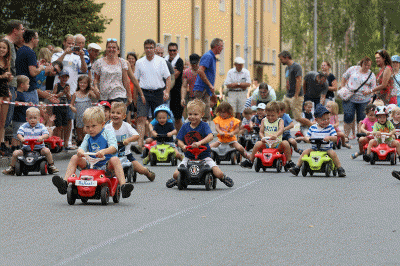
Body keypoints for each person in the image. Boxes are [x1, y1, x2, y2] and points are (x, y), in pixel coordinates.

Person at [51, 106, 134, 198]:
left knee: (115, 159)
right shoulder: (88, 136)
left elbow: (114, 147)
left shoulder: (108, 133)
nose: (90, 129)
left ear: (102, 124)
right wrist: (80, 152)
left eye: (93, 126)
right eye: (87, 127)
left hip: (106, 167)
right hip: (91, 165)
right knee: (75, 157)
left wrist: (104, 151)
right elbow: (81, 147)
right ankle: (64, 183)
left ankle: (123, 186)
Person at [165, 99, 234, 188]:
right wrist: (183, 146)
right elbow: (179, 140)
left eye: (195, 114)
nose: (192, 117)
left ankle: (223, 177)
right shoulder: (185, 127)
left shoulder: (204, 125)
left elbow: (210, 136)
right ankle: (177, 180)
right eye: (190, 114)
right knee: (175, 174)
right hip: (189, 157)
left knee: (218, 172)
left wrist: (200, 143)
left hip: (204, 157)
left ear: (202, 114)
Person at [52, 34, 88, 150]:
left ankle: (67, 142)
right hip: (58, 90)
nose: (71, 46)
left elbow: (84, 70)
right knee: (58, 119)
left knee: (69, 118)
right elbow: (54, 66)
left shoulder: (77, 57)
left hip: (72, 91)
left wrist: (82, 57)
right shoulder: (57, 54)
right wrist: (64, 53)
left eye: (73, 44)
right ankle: (58, 142)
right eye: (69, 43)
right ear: (64, 43)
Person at [289, 105, 346, 177]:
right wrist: (307, 139)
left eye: (328, 119)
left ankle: (340, 169)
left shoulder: (330, 127)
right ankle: (297, 167)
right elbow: (307, 136)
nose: (326, 121)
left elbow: (335, 138)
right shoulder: (313, 128)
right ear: (316, 120)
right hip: (314, 148)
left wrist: (329, 137)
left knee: (333, 153)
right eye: (323, 120)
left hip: (326, 149)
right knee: (305, 152)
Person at [105, 102, 156, 181]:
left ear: (124, 116)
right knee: (104, 169)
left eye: (118, 113)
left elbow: (136, 136)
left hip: (126, 154)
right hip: (111, 155)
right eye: (113, 112)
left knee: (140, 169)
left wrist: (128, 140)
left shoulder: (126, 126)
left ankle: (147, 172)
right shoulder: (107, 127)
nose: (115, 115)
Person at [134, 39, 171, 148]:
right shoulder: (139, 62)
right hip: (143, 92)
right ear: (144, 49)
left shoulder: (161, 61)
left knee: (159, 118)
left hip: (158, 92)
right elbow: (136, 80)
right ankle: (139, 144)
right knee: (141, 118)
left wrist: (167, 92)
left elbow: (168, 78)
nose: (149, 50)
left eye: (151, 47)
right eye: (147, 48)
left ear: (154, 49)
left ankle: (156, 141)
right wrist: (137, 96)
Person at [2, 107, 59, 175]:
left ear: (38, 119)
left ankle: (51, 165)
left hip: (39, 148)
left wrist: (41, 137)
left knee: (47, 151)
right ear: (27, 119)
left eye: (35, 118)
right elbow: (19, 134)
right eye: (30, 118)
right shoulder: (24, 126)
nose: (32, 120)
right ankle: (12, 168)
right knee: (15, 153)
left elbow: (46, 134)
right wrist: (21, 138)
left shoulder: (41, 126)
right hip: (26, 148)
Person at [240, 101, 296, 169]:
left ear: (278, 114)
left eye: (272, 115)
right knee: (258, 143)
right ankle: (250, 161)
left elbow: (281, 129)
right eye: (268, 115)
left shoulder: (280, 121)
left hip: (277, 144)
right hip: (266, 144)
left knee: (286, 143)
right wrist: (263, 138)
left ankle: (288, 162)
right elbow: (261, 132)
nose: (270, 117)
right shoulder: (264, 120)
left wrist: (276, 135)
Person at [341, 57, 376, 139]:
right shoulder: (353, 69)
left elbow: (373, 88)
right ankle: (346, 136)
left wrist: (371, 95)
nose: (367, 67)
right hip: (349, 97)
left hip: (364, 100)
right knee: (348, 115)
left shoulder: (371, 75)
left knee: (361, 118)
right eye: (365, 65)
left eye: (369, 65)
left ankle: (360, 136)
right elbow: (344, 77)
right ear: (361, 64)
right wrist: (343, 88)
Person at [92, 39, 131, 104]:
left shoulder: (122, 62)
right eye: (109, 47)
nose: (111, 49)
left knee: (115, 112)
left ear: (117, 50)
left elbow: (125, 80)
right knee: (106, 113)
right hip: (104, 95)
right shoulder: (99, 63)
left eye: (114, 47)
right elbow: (96, 79)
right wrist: (95, 87)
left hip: (118, 93)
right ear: (106, 49)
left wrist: (129, 95)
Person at [193, 38, 224, 121]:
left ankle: (205, 132)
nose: (222, 48)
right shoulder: (208, 56)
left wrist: (212, 93)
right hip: (201, 89)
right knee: (199, 113)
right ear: (216, 46)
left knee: (205, 114)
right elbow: (200, 71)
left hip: (205, 89)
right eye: (221, 46)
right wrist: (210, 85)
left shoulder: (212, 57)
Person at [3, 20, 24, 131]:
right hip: (5, 85)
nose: (23, 32)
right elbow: (6, 68)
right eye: (22, 29)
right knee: (4, 119)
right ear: (15, 30)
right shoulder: (5, 44)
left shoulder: (11, 45)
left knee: (7, 118)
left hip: (11, 85)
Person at [70, 75, 99, 145]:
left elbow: (97, 97)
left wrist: (93, 89)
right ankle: (81, 144)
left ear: (87, 84)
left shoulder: (89, 93)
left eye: (85, 83)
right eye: (81, 83)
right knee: (79, 132)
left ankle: (88, 144)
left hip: (88, 117)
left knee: (87, 132)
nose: (82, 84)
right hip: (79, 117)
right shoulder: (75, 94)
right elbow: (71, 104)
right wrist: (72, 108)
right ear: (78, 83)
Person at [278, 50, 305, 125]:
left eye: (281, 59)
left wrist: (296, 95)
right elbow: (287, 80)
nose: (280, 61)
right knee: (281, 114)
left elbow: (299, 81)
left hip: (296, 96)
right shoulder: (287, 68)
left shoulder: (296, 67)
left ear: (286, 57)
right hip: (288, 95)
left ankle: (312, 125)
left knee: (297, 118)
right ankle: (282, 130)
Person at [165, 42, 184, 131]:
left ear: (177, 51)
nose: (172, 52)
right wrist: (171, 72)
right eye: (170, 50)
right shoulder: (164, 60)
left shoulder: (179, 61)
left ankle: (179, 136)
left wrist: (167, 74)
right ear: (168, 51)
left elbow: (175, 76)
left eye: (174, 50)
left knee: (177, 117)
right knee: (164, 115)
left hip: (176, 92)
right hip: (165, 91)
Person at [51, 70, 72, 148]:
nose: (64, 79)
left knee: (63, 126)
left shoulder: (67, 85)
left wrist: (66, 93)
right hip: (57, 107)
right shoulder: (57, 85)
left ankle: (62, 142)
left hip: (64, 107)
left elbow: (69, 97)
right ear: (59, 77)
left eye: (66, 77)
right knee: (58, 126)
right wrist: (61, 93)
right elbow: (53, 95)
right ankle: (58, 142)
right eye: (62, 77)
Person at [0, 39, 14, 153]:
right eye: (0, 47)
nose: (2, 50)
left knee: (3, 120)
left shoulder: (7, 61)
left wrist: (9, 78)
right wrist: (3, 76)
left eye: (4, 48)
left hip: (5, 91)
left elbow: (7, 79)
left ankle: (1, 142)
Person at [10, 75, 30, 151]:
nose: (29, 86)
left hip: (22, 118)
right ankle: (14, 147)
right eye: (27, 84)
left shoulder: (22, 93)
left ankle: (18, 146)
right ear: (22, 85)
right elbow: (14, 102)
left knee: (20, 134)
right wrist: (22, 103)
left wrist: (27, 103)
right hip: (18, 118)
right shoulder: (17, 93)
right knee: (16, 134)